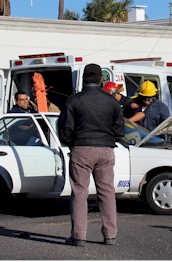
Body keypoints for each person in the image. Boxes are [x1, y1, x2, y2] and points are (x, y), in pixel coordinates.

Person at [58, 63, 124, 247]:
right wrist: (110, 139)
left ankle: (79, 236)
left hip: (81, 148)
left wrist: (70, 142)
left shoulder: (74, 100)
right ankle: (110, 235)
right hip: (106, 149)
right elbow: (120, 131)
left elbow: (66, 127)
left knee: (80, 191)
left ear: (84, 79)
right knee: (107, 192)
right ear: (101, 79)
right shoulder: (112, 102)